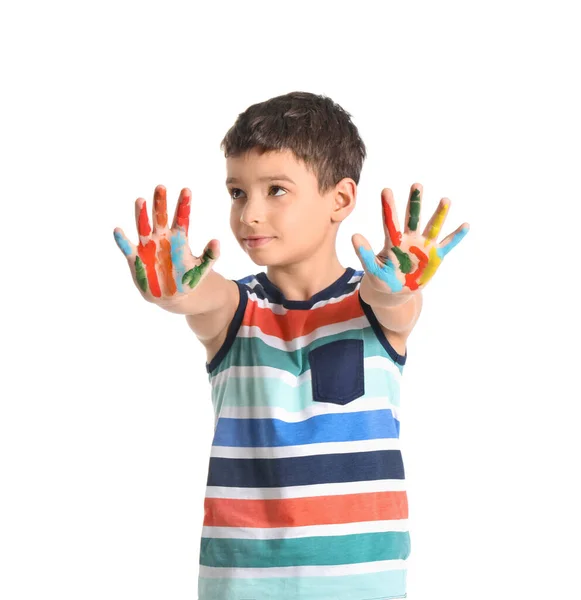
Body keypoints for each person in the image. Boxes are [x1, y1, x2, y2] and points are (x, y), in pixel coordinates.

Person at [113, 91, 469, 600]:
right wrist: (174, 288)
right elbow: (199, 295)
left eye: (276, 190)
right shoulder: (236, 311)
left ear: (340, 199)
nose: (249, 214)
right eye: (238, 192)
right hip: (241, 585)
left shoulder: (372, 302)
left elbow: (395, 305)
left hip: (363, 588)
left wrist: (399, 286)